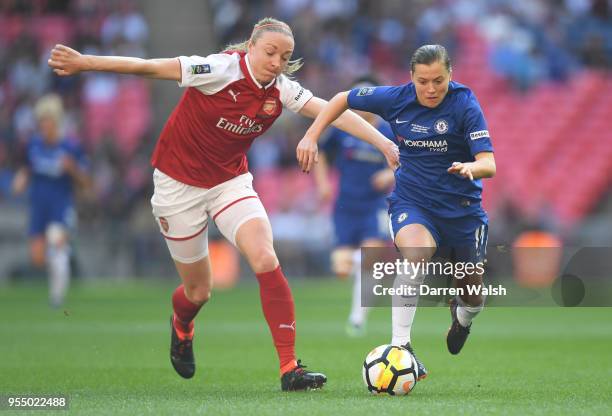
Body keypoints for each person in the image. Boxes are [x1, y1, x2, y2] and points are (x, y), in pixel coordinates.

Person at [48, 17, 399, 391]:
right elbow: (148, 67)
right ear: (251, 45)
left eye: (285, 56)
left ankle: (289, 368)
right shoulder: (218, 69)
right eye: (270, 52)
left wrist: (385, 144)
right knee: (199, 292)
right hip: (176, 186)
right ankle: (182, 326)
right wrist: (86, 62)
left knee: (265, 256)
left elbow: (333, 111)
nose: (277, 62)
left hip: (229, 182)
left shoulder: (281, 89)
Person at [298, 44, 496, 381]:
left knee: (473, 295)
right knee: (414, 255)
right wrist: (311, 135)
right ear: (411, 78)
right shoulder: (394, 98)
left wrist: (470, 168)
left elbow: (489, 163)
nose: (431, 89)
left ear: (451, 75)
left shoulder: (465, 104)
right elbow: (342, 98)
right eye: (423, 81)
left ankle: (462, 316)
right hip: (413, 203)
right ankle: (401, 347)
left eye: (438, 80)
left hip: (462, 212)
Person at [313, 75, 395, 337]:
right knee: (341, 269)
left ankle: (357, 317)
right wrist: (323, 182)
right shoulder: (342, 128)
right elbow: (320, 151)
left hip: (375, 206)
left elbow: (408, 162)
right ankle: (361, 274)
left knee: (370, 258)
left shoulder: (387, 131)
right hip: (345, 206)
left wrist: (389, 175)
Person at [12, 94, 90, 308]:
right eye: (41, 122)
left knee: (56, 248)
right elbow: (28, 169)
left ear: (56, 122)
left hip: (60, 206)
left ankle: (57, 297)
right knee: (37, 258)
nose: (44, 126)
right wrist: (21, 179)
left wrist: (72, 168)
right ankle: (62, 253)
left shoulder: (70, 147)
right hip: (38, 206)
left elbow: (86, 183)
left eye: (48, 122)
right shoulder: (33, 145)